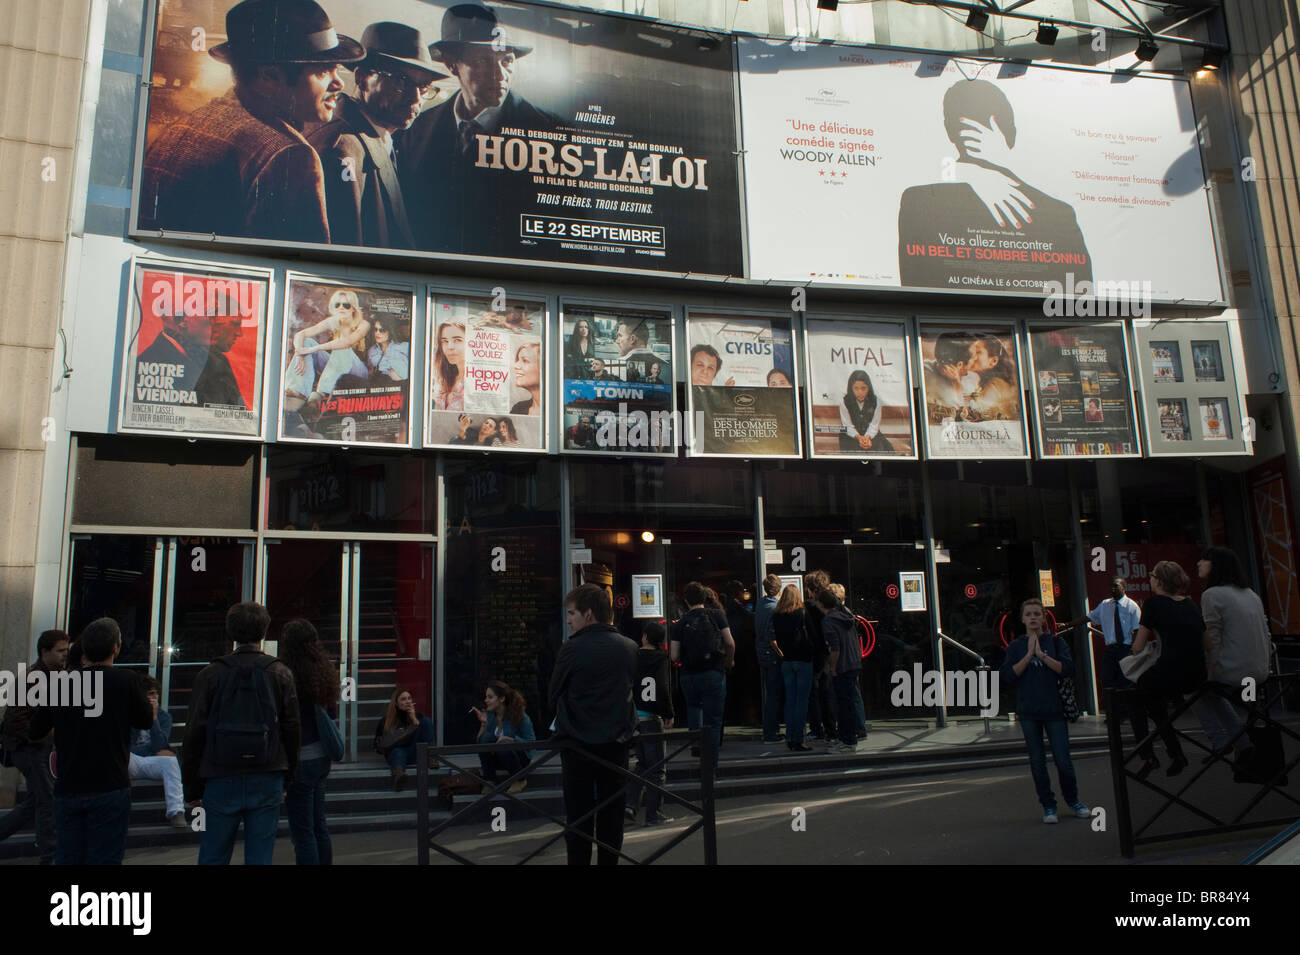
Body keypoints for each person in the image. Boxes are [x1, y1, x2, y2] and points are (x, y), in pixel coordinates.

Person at [139, 0, 365, 243]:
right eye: (323, 70)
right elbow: (301, 273)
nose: (339, 83)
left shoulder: (182, 128)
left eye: (336, 69)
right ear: (269, 76)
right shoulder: (290, 157)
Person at [897, 78, 1092, 292]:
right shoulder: (1058, 214)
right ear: (1011, 132)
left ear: (950, 130)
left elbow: (918, 285)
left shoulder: (920, 201)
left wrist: (970, 172)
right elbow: (1081, 299)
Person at [399, 2, 562, 253]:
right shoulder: (416, 130)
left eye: (506, 60)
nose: (499, 74)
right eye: (484, 60)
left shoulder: (551, 133)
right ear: (452, 65)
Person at [182, 601, 301, 866]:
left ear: (230, 632)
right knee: (260, 856)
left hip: (220, 774)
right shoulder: (279, 672)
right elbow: (292, 729)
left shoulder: (211, 673)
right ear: (264, 631)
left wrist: (191, 786)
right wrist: (288, 776)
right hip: (267, 773)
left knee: (213, 853)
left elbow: (194, 733)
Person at [308, 22, 443, 248]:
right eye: (401, 81)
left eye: (423, 86)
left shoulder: (375, 139)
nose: (416, 98)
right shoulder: (344, 148)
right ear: (361, 78)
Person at [30, 618, 153, 864]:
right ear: (116, 648)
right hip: (110, 783)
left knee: (67, 856)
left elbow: (35, 730)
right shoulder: (127, 680)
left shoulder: (61, 685)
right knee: (106, 857)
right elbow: (145, 721)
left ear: (83, 649)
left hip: (69, 784)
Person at [549, 584, 639, 865]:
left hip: (578, 745)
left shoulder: (571, 649)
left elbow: (553, 693)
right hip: (617, 742)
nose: (568, 620)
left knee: (579, 816)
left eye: (572, 613)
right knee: (612, 816)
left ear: (588, 614)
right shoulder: (629, 647)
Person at [999, 598, 1089, 824]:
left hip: (1055, 711)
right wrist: (1028, 656)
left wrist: (1042, 656)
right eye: (1028, 614)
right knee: (1037, 762)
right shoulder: (1016, 646)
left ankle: (1074, 800)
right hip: (1029, 712)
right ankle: (1048, 805)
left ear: (1043, 618)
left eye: (1037, 614)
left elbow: (1067, 669)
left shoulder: (1056, 643)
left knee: (1063, 760)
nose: (1032, 618)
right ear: (1022, 619)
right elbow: (1007, 676)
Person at [1193, 548, 1272, 761]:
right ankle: (1240, 741)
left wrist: (1209, 675)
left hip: (1235, 671)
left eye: (1204, 559)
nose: (1199, 563)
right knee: (1214, 695)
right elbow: (1266, 633)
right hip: (1259, 671)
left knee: (1196, 691)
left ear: (1216, 565)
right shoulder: (1251, 594)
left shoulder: (1212, 595)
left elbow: (1213, 640)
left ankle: (1224, 741)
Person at [1129, 561, 1206, 779]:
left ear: (1160, 581)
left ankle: (1147, 756)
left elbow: (1139, 646)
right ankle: (1175, 754)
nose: (1150, 578)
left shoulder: (1153, 604)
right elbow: (1206, 641)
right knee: (1154, 702)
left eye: (1152, 575)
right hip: (1196, 675)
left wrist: (1134, 650)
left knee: (1134, 698)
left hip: (1170, 671)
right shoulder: (1191, 604)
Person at [0, 629, 68, 863]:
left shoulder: (52, 676)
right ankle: (50, 857)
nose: (64, 656)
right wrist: (46, 735)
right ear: (44, 651)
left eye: (66, 651)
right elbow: (15, 721)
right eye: (60, 651)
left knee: (33, 804)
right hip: (29, 750)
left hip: (35, 749)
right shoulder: (33, 678)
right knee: (47, 800)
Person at [279, 618, 340, 865]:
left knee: (302, 831)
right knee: (319, 825)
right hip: (321, 757)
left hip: (298, 757)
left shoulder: (285, 674)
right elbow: (331, 713)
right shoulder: (324, 670)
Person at [1065, 578, 1146, 752]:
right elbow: (1089, 617)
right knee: (1108, 679)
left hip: (1126, 648)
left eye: (1116, 586)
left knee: (1126, 682)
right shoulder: (1105, 605)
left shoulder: (1131, 606)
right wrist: (1068, 624)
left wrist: (1134, 649)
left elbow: (1137, 629)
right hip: (1111, 648)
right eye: (1110, 586)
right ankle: (1113, 712)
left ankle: (1127, 712)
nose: (1112, 589)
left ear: (1123, 587)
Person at [669, 581, 735, 770]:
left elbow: (674, 655)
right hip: (713, 672)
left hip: (689, 675)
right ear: (705, 598)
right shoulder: (716, 615)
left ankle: (695, 746)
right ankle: (709, 766)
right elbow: (730, 643)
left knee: (693, 709)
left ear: (685, 600)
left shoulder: (680, 623)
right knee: (713, 722)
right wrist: (729, 661)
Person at [283, 288, 370, 421]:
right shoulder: (333, 321)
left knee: (341, 348)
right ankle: (297, 392)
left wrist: (314, 349)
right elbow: (301, 334)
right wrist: (300, 353)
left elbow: (346, 342)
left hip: (359, 370)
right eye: (337, 304)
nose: (341, 308)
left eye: (346, 305)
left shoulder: (363, 324)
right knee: (307, 342)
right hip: (337, 366)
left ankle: (317, 397)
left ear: (353, 308)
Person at [625, 622, 675, 825]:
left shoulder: (633, 656)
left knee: (643, 764)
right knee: (657, 768)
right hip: (652, 716)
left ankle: (630, 804)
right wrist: (669, 712)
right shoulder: (660, 659)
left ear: (645, 637)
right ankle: (654, 814)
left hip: (635, 715)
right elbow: (662, 687)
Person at [128, 675, 188, 829]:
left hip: (150, 761)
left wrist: (153, 718)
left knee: (171, 761)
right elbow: (125, 747)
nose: (154, 698)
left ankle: (177, 812)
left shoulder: (164, 717)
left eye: (155, 693)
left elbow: (161, 744)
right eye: (149, 694)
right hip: (131, 760)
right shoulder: (129, 715)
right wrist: (153, 751)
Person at [770, 585, 816, 751]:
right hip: (803, 659)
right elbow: (813, 635)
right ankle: (798, 738)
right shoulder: (802, 613)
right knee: (801, 701)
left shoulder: (777, 615)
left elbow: (774, 636)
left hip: (787, 659)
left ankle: (790, 736)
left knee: (790, 700)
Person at [818, 589, 863, 753]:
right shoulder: (846, 616)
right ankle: (848, 738)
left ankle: (848, 740)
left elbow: (834, 648)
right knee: (848, 703)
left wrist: (833, 667)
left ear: (821, 604)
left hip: (843, 665)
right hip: (853, 662)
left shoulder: (829, 621)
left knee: (843, 705)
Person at [473, 680, 535, 794]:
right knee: (485, 739)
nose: (486, 700)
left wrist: (511, 740)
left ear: (501, 699)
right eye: (486, 697)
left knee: (504, 744)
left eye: (490, 697)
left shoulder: (520, 716)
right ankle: (490, 780)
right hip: (500, 758)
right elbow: (480, 743)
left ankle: (519, 780)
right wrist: (483, 724)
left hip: (520, 759)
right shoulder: (490, 715)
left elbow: (531, 743)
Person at [373, 687, 436, 791]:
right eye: (403, 699)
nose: (407, 701)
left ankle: (430, 757)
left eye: (409, 698)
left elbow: (422, 738)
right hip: (397, 755)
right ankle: (398, 776)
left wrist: (414, 720)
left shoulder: (418, 717)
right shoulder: (386, 721)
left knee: (426, 721)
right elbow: (377, 745)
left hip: (415, 753)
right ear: (396, 704)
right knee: (398, 751)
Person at [803, 571, 837, 742]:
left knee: (814, 692)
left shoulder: (809, 607)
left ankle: (817, 728)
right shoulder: (833, 605)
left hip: (815, 653)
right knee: (827, 692)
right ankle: (831, 728)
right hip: (829, 652)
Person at [754, 574, 784, 744]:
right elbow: (772, 635)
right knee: (774, 695)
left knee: (770, 693)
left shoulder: (760, 604)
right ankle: (771, 733)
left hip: (762, 653)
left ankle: (771, 730)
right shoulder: (775, 608)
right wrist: (782, 653)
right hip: (773, 655)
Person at [723, 580, 757, 727]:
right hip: (741, 651)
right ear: (737, 593)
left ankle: (734, 715)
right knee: (742, 686)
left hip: (733, 651)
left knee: (733, 687)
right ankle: (743, 716)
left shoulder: (725, 609)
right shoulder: (739, 610)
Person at [838, 369, 894, 454]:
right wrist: (859, 438)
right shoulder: (844, 401)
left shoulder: (875, 401)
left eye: (863, 388)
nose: (860, 392)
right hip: (851, 435)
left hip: (870, 434)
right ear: (851, 388)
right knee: (853, 452)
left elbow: (874, 425)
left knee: (887, 449)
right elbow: (847, 425)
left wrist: (867, 437)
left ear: (869, 387)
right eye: (856, 388)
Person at [431, 320, 467, 410]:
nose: (450, 347)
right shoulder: (444, 379)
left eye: (457, 340)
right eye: (445, 341)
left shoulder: (477, 381)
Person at [365, 315, 411, 381]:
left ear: (390, 331)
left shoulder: (405, 347)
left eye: (382, 330)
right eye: (375, 329)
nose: (377, 333)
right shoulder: (372, 351)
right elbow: (370, 373)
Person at [510, 341, 543, 415]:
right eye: (518, 360)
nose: (516, 365)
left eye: (525, 360)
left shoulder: (558, 410)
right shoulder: (518, 408)